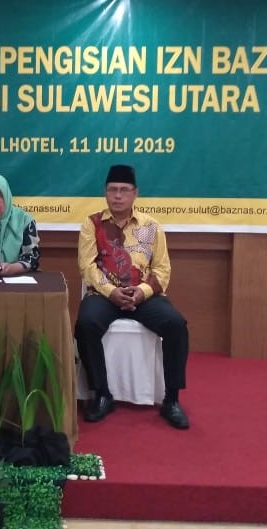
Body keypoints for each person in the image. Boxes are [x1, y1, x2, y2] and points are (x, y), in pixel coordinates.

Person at [74, 164, 190, 429]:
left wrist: (142, 292)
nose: (118, 196)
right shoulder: (92, 224)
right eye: (112, 190)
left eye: (124, 190)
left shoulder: (152, 226)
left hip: (143, 295)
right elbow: (87, 267)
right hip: (104, 294)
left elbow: (162, 270)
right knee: (86, 324)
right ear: (105, 192)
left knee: (176, 324)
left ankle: (172, 399)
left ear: (135, 193)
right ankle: (101, 394)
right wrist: (111, 292)